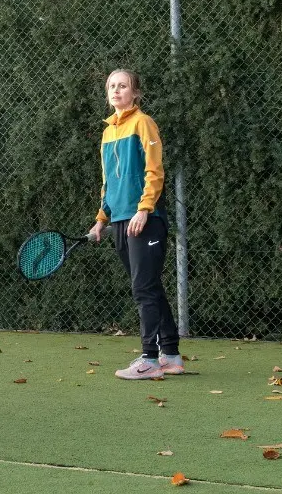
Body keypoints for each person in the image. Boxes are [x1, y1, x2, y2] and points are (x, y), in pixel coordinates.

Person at [88, 69, 183, 380]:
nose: (116, 91)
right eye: (112, 86)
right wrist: (102, 218)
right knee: (150, 286)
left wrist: (145, 209)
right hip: (118, 220)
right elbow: (108, 182)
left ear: (135, 93)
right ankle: (171, 355)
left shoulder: (144, 123)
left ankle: (150, 360)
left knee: (143, 288)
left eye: (123, 86)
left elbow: (155, 171)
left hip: (146, 219)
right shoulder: (107, 133)